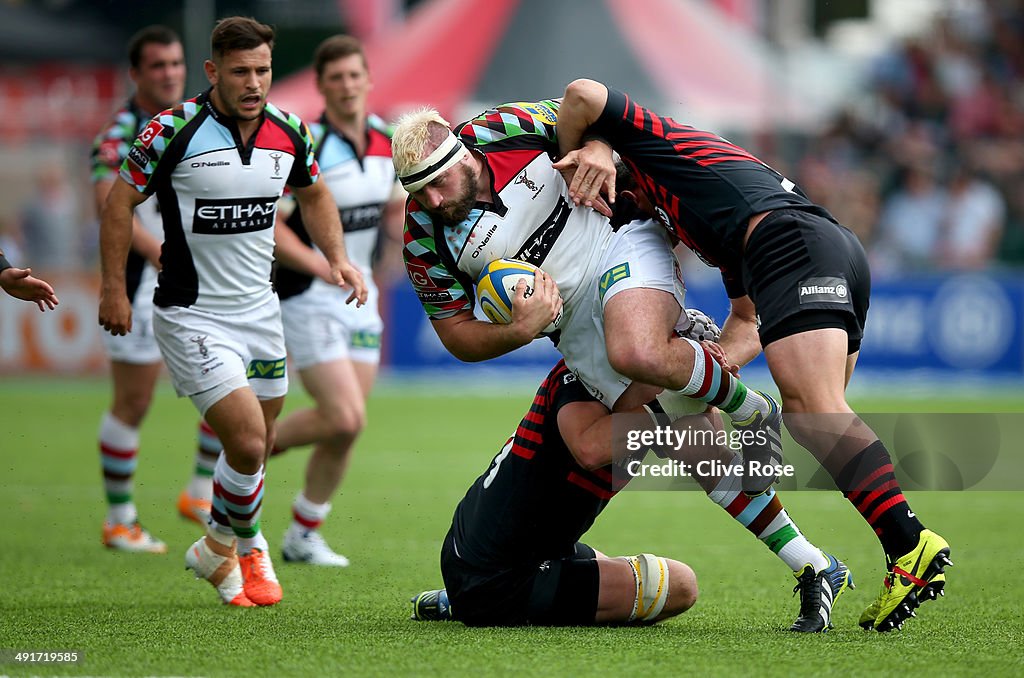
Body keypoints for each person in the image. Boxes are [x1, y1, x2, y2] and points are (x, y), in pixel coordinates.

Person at [554, 78, 952, 632]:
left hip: (789, 242)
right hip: (827, 248)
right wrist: (707, 364)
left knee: (814, 412)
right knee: (819, 417)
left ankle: (909, 545)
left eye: (617, 202)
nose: (621, 210)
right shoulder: (697, 227)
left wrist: (580, 146)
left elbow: (583, 94)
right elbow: (746, 323)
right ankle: (898, 547)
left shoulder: (651, 146)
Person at [98, 16, 367, 607]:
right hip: (192, 315)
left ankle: (220, 545)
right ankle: (249, 546)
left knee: (260, 441)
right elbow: (120, 203)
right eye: (241, 72)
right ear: (213, 71)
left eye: (263, 71)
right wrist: (114, 289)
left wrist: (338, 257)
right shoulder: (171, 129)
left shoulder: (289, 130)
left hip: (261, 314)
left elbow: (315, 194)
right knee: (246, 442)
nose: (254, 83)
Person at [391, 103, 783, 491]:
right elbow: (456, 334)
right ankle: (806, 556)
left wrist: (596, 147)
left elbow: (596, 110)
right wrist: (519, 331)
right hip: (571, 325)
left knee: (636, 353)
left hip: (616, 242)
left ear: (460, 155)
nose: (433, 202)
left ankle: (746, 407)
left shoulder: (503, 127)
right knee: (667, 436)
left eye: (437, 183)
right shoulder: (420, 236)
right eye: (418, 192)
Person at [411, 349, 851, 630]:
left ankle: (816, 565)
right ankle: (475, 602)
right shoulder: (582, 377)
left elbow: (729, 481)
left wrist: (806, 559)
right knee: (680, 585)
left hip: (488, 552)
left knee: (601, 562)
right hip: (502, 576)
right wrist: (681, 402)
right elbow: (589, 448)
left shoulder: (651, 399)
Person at [271, 34, 405, 566]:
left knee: (345, 429)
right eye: (337, 77)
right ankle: (241, 445)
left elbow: (392, 213)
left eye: (355, 75)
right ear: (322, 86)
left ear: (369, 80)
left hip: (361, 299)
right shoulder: (308, 146)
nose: (348, 86)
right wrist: (322, 266)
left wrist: (398, 255)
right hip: (307, 296)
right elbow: (275, 230)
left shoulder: (387, 141)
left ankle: (303, 533)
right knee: (345, 418)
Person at [90, 25, 222, 555]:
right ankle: (119, 519)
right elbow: (109, 204)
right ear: (136, 74)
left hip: (198, 284)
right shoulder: (120, 134)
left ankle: (197, 492)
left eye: (175, 63)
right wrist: (155, 252)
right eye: (157, 66)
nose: (169, 73)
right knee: (134, 401)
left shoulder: (194, 122)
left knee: (229, 384)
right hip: (141, 284)